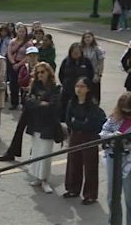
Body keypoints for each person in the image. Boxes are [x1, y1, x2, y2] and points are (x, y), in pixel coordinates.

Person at [64, 77, 106, 205]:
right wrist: (79, 123)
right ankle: (73, 189)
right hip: (75, 136)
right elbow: (68, 120)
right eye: (77, 86)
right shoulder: (72, 102)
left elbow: (91, 124)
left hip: (89, 137)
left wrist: (77, 122)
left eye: (82, 86)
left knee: (90, 166)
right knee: (73, 162)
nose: (79, 89)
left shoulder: (92, 106)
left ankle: (90, 195)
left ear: (88, 89)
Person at [25, 62, 61, 194]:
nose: (40, 75)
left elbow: (54, 106)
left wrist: (37, 103)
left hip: (48, 124)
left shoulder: (55, 87)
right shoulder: (35, 85)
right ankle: (37, 178)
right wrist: (41, 103)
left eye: (43, 72)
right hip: (36, 123)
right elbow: (28, 101)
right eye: (38, 72)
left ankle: (45, 180)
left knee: (45, 153)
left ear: (49, 73)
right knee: (36, 151)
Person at [99, 92, 131, 225]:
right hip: (113, 158)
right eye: (124, 111)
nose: (127, 114)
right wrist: (113, 136)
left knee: (130, 199)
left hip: (129, 162)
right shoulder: (115, 117)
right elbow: (103, 132)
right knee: (113, 197)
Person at [59, 42, 94, 121]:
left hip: (82, 92)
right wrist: (66, 84)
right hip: (68, 91)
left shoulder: (86, 61)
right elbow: (61, 75)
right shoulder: (66, 61)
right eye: (73, 52)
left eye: (77, 52)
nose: (75, 54)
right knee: (65, 110)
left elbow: (91, 74)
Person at [7, 24, 32, 110]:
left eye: (23, 31)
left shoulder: (28, 43)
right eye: (20, 31)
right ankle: (14, 102)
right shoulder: (12, 42)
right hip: (13, 63)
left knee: (23, 82)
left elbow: (28, 56)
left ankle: (24, 102)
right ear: (17, 31)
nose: (21, 33)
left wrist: (19, 64)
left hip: (23, 64)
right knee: (13, 83)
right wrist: (13, 63)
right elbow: (9, 53)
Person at [81, 31, 105, 104]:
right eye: (85, 37)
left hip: (94, 74)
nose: (87, 39)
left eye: (89, 37)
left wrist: (99, 75)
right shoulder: (81, 48)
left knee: (94, 95)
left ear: (92, 38)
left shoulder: (97, 49)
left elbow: (101, 63)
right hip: (84, 74)